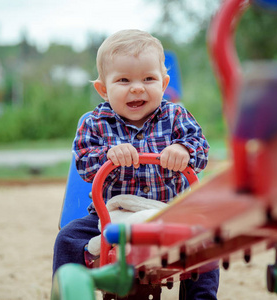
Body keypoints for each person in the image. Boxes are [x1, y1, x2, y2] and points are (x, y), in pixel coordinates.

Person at [53, 29, 219, 299]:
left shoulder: (176, 116)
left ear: (164, 84)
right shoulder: (95, 123)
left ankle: (200, 297)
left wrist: (183, 149)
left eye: (148, 78)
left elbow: (201, 149)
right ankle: (71, 292)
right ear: (103, 89)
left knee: (208, 237)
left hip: (167, 212)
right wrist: (108, 154)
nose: (138, 87)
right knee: (67, 239)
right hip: (110, 215)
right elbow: (83, 162)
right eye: (124, 80)